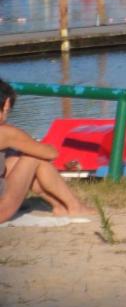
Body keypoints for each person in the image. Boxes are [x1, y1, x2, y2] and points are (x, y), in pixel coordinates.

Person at [0, 79, 93, 222]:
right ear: (5, 104)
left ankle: (59, 206)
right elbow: (50, 153)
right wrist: (32, 145)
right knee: (33, 157)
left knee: (15, 159)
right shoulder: (5, 133)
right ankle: (74, 206)